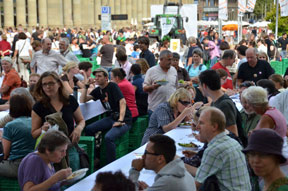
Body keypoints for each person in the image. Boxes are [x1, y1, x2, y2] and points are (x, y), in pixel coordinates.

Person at [31, 71, 85, 171]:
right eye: (44, 84)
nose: (48, 87)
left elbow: (81, 120)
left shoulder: (70, 100)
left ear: (59, 84)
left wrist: (78, 128)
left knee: (73, 179)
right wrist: (42, 128)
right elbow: (34, 133)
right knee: (55, 183)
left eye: (51, 83)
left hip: (69, 148)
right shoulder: (38, 107)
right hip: (49, 152)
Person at [80, 68, 132, 163]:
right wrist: (86, 86)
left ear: (106, 78)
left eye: (99, 76)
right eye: (95, 76)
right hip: (111, 117)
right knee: (89, 129)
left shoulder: (112, 86)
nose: (97, 78)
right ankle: (95, 158)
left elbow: (122, 102)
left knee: (108, 137)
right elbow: (83, 100)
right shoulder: (98, 90)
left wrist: (120, 120)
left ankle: (110, 164)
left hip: (124, 120)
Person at [194, 107, 251, 190]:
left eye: (201, 123)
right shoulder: (232, 142)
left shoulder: (215, 150)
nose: (197, 127)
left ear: (214, 126)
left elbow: (195, 185)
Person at [129, 134, 196, 191]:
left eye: (146, 153)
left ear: (160, 159)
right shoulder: (181, 170)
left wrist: (134, 171)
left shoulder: (167, 181)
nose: (143, 156)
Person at [0, 88, 35, 178]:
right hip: (36, 164)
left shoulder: (10, 126)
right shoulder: (37, 121)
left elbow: (5, 154)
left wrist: (3, 136)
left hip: (18, 166)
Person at [198, 69, 238, 136]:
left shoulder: (225, 104)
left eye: (199, 85)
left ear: (204, 86)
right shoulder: (216, 101)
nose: (199, 87)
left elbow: (233, 134)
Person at [143, 50, 177, 115]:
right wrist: (153, 87)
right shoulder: (151, 71)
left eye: (171, 60)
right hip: (155, 109)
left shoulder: (173, 70)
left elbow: (175, 86)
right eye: (169, 60)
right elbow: (144, 88)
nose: (171, 62)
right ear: (161, 59)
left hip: (171, 109)